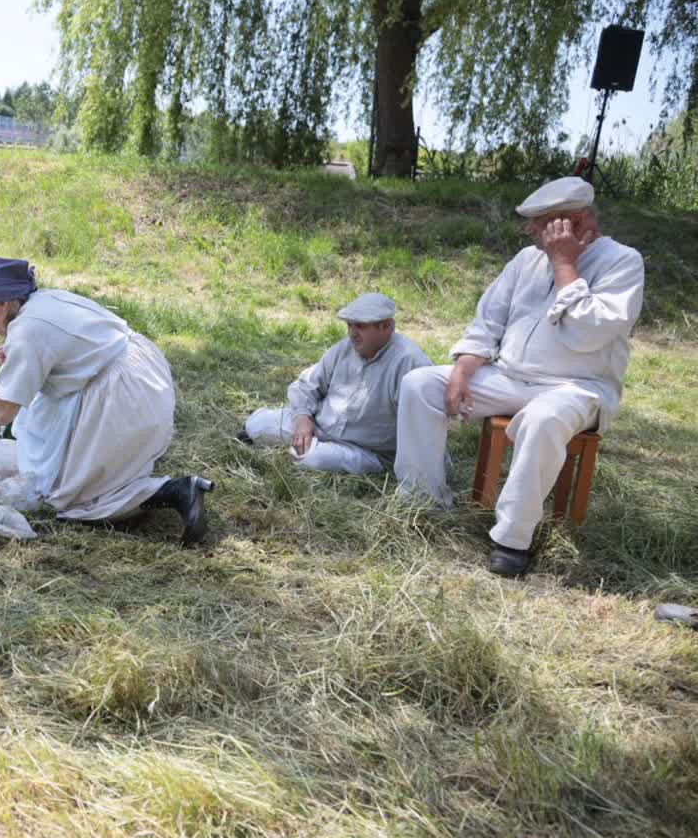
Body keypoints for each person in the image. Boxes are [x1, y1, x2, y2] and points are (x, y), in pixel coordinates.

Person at [395, 177, 645, 577]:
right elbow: (488, 321)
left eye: (541, 222)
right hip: (509, 377)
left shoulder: (622, 262)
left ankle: (512, 539)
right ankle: (424, 501)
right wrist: (463, 368)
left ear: (577, 220)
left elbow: (590, 333)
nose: (530, 229)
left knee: (543, 419)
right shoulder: (526, 260)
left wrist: (565, 265)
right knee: (420, 384)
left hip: (577, 388)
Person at [0, 257, 214, 543]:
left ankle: (176, 490)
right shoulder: (44, 299)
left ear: (4, 304)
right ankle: (117, 470)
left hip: (124, 395)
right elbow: (68, 346)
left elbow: (4, 412)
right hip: (142, 374)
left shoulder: (27, 331)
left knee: (72, 499)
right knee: (68, 461)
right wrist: (19, 357)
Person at [241, 293, 433, 473]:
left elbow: (424, 424)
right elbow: (307, 385)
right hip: (319, 427)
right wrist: (302, 419)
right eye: (350, 325)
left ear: (387, 326)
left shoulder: (410, 362)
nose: (352, 333)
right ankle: (302, 444)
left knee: (312, 458)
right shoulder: (344, 349)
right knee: (257, 424)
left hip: (365, 450)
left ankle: (305, 451)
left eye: (360, 326)